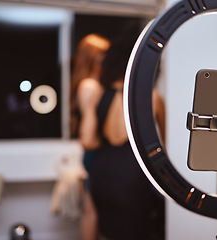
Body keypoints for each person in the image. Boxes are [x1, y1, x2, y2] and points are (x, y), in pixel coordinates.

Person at [82, 32, 166, 240]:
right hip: (135, 173)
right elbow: (165, 145)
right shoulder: (152, 97)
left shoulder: (99, 94)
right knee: (136, 230)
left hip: (104, 170)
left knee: (108, 230)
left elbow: (87, 140)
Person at [70, 33, 110, 240]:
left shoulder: (93, 83)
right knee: (91, 210)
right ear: (92, 56)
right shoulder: (90, 86)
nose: (106, 57)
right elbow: (88, 136)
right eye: (103, 53)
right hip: (96, 154)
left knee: (91, 208)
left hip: (96, 155)